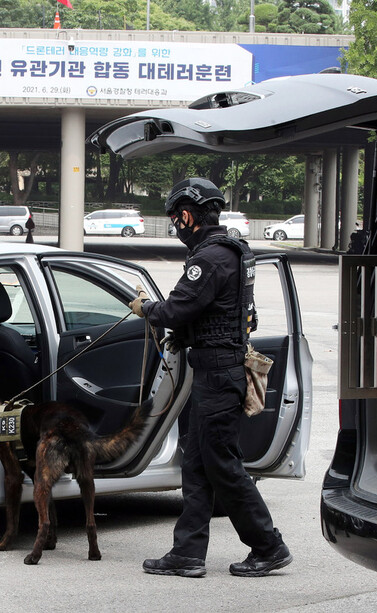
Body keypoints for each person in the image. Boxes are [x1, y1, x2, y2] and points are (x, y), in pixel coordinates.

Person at [128, 178, 291, 579]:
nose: (175, 227)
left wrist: (144, 307)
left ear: (187, 215)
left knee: (223, 465)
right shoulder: (233, 250)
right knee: (197, 464)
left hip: (219, 374)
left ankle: (268, 546)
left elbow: (176, 309)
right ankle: (187, 553)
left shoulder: (211, 257)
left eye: (174, 219)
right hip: (218, 371)